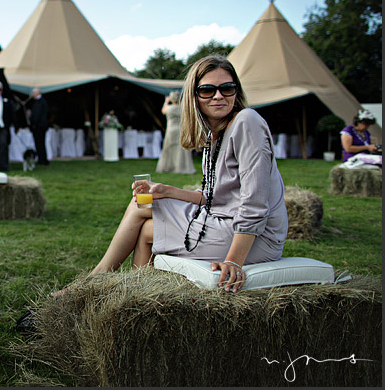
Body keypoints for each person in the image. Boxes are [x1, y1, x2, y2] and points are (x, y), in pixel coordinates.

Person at [54, 55, 288, 295]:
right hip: (222, 219)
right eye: (207, 90)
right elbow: (214, 196)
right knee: (140, 207)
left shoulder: (246, 122)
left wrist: (234, 261)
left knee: (146, 231)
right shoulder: (214, 135)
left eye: (226, 88)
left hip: (257, 238)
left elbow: (255, 202)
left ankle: (111, 290)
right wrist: (167, 191)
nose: (218, 96)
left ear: (236, 92)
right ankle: (114, 288)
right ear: (194, 96)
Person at [155, 90, 195, 174]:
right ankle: (181, 167)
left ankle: (169, 166)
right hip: (180, 130)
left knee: (169, 148)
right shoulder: (183, 108)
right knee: (181, 149)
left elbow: (163, 111)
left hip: (171, 130)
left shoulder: (169, 108)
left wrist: (166, 102)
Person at [28, 87, 49, 165]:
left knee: (39, 143)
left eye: (33, 93)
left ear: (37, 93)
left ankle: (42, 160)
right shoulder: (41, 102)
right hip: (41, 126)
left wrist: (32, 122)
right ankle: (42, 159)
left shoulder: (40, 102)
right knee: (40, 143)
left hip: (39, 126)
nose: (32, 94)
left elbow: (37, 115)